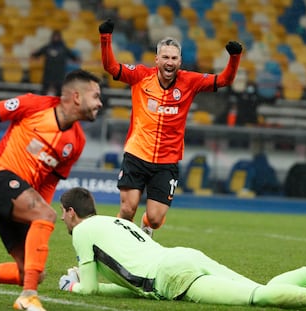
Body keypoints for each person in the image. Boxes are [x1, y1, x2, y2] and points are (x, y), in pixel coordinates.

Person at [0, 69, 103, 311]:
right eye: (95, 96)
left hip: (19, 194)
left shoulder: (77, 142)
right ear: (76, 97)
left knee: (29, 271)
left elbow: (50, 182)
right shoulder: (35, 105)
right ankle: (27, 297)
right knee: (44, 218)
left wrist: (41, 212)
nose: (100, 103)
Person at [58, 186, 306, 309]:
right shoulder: (115, 221)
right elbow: (127, 286)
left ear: (71, 212)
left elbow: (89, 289)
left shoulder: (81, 231)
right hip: (182, 256)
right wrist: (87, 281)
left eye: (62, 213)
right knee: (263, 290)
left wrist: (71, 286)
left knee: (257, 297)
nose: (61, 218)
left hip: (173, 278)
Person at [98, 19, 243, 236]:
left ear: (180, 61)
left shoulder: (189, 81)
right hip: (137, 153)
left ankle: (146, 225)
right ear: (156, 59)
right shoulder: (140, 76)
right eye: (165, 57)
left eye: (174, 58)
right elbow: (111, 67)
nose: (169, 62)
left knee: (155, 219)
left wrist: (234, 58)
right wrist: (105, 37)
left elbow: (224, 80)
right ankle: (111, 245)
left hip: (167, 161)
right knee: (127, 208)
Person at [31, 30, 80, 96]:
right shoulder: (48, 47)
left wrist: (76, 58)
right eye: (55, 36)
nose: (56, 38)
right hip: (48, 74)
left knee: (60, 93)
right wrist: (34, 54)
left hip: (59, 75)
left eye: (57, 36)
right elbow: (38, 53)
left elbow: (73, 56)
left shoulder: (63, 48)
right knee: (44, 92)